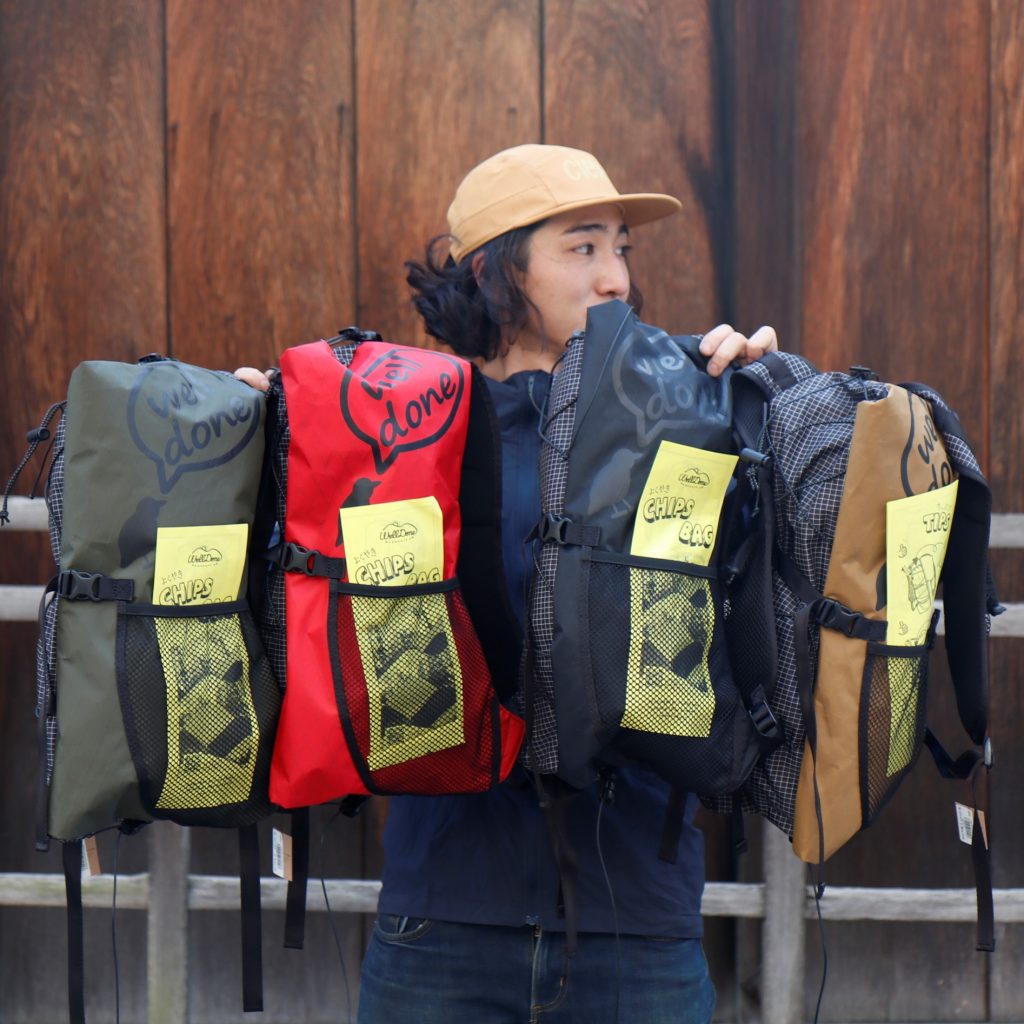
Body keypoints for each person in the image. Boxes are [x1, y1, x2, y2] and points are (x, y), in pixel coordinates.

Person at [238, 143, 777, 1023]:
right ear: (494, 272)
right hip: (440, 923)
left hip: (637, 928)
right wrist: (261, 461)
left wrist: (758, 407)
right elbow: (300, 624)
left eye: (621, 249)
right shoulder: (394, 440)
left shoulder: (686, 419)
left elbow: (754, 602)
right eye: (582, 247)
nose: (615, 279)